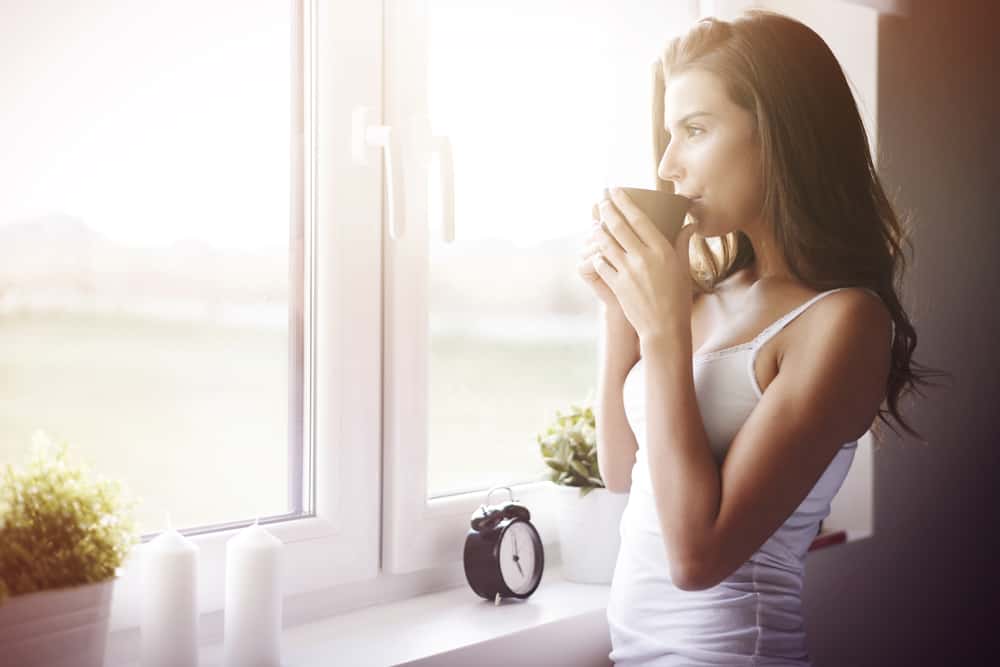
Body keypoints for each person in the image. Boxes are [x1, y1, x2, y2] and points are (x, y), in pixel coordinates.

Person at [575, 10, 944, 666]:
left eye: (694, 130)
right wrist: (619, 315)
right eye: (668, 134)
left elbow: (696, 556)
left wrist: (662, 334)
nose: (667, 166)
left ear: (779, 133)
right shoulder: (702, 296)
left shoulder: (844, 322)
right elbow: (621, 473)